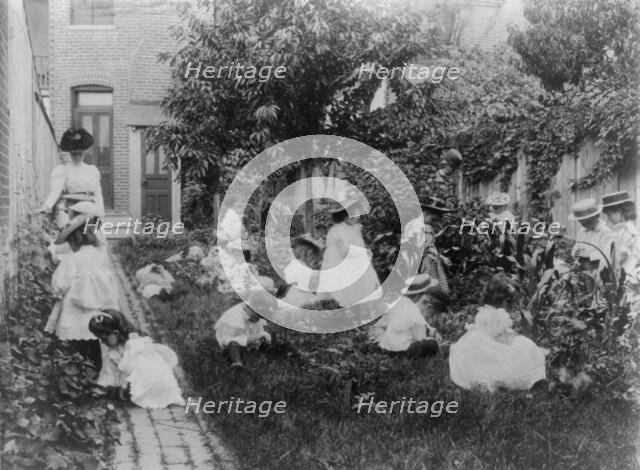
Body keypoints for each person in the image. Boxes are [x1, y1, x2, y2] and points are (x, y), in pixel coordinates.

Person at [44, 212, 119, 370]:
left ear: (75, 240)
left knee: (76, 343)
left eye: (70, 241)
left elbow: (60, 284)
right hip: (97, 308)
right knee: (95, 341)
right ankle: (95, 370)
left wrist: (57, 293)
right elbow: (108, 281)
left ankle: (79, 372)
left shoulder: (71, 260)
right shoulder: (100, 258)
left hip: (75, 309)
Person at [449, 274, 547, 391]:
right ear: (504, 300)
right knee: (526, 345)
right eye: (511, 301)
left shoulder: (484, 311)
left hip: (476, 347)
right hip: (491, 348)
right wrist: (514, 339)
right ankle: (526, 375)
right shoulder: (499, 315)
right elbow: (501, 340)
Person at [88, 311, 185, 409]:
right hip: (137, 377)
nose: (103, 342)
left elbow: (132, 369)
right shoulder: (117, 346)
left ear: (116, 333)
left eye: (104, 338)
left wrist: (123, 386)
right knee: (111, 359)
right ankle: (111, 388)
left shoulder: (135, 345)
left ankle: (139, 394)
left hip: (150, 381)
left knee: (137, 390)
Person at [316, 197, 382, 307]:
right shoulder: (338, 229)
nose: (353, 217)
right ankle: (341, 306)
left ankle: (361, 306)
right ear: (342, 215)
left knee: (362, 284)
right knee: (345, 288)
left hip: (355, 262)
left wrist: (363, 254)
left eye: (356, 214)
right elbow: (344, 251)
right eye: (349, 214)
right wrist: (362, 252)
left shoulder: (356, 229)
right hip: (340, 263)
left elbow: (358, 244)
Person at [38, 128, 105, 228]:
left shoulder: (92, 170)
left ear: (85, 152)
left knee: (90, 238)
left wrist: (101, 215)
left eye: (80, 153)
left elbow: (98, 195)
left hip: (91, 210)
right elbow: (55, 191)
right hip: (71, 210)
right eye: (74, 153)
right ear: (69, 153)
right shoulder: (63, 170)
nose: (77, 156)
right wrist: (46, 207)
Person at [369, 274, 441, 357]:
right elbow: (420, 336)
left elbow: (383, 323)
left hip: (386, 343)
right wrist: (430, 337)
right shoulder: (414, 310)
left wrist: (430, 329)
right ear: (419, 295)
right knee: (431, 344)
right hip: (401, 348)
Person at [215, 290, 274, 368]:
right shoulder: (236, 319)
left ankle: (287, 353)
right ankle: (237, 362)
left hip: (249, 337)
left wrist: (263, 336)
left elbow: (258, 328)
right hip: (232, 340)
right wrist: (249, 339)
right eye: (257, 316)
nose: (258, 319)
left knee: (271, 341)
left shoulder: (253, 314)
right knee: (234, 346)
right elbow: (225, 340)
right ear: (249, 308)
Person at [569, 198, 614, 272]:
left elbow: (608, 254)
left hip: (600, 270)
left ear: (596, 217)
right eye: (581, 222)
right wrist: (576, 254)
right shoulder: (582, 231)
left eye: (587, 222)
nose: (583, 225)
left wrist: (589, 255)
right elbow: (577, 247)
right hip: (583, 269)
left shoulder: (605, 231)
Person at [601, 191, 639, 276]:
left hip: (627, 270)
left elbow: (623, 254)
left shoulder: (626, 229)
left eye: (609, 215)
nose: (608, 218)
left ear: (619, 212)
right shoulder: (620, 229)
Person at [280, 234, 323, 308]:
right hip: (296, 294)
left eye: (294, 249)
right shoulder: (296, 265)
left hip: (297, 294)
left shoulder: (299, 266)